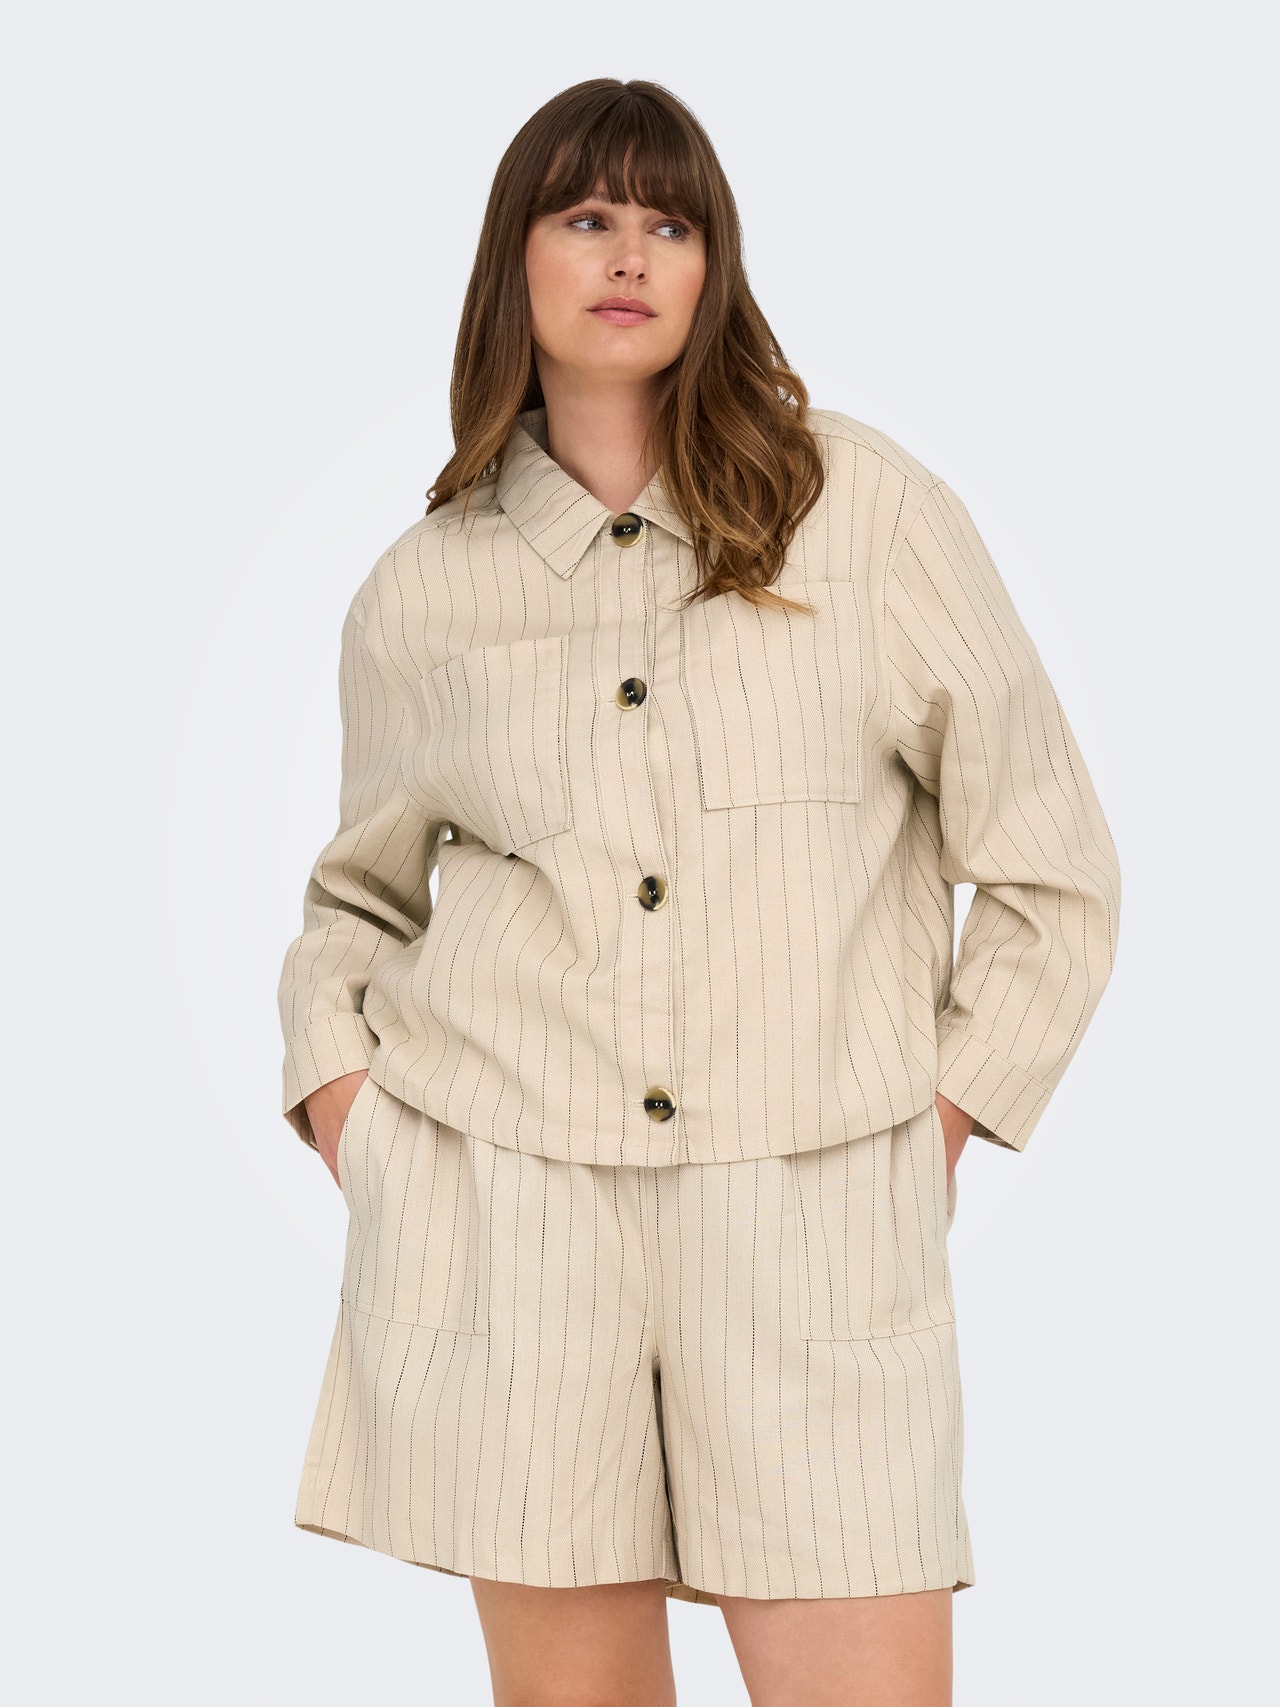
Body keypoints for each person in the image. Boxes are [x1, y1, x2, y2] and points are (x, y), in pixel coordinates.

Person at [276, 77, 1121, 1707]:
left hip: (813, 1231)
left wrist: (936, 1123)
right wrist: (348, 1113)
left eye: (671, 223)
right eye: (587, 215)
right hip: (515, 1228)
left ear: (713, 267)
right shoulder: (424, 589)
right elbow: (359, 902)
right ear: (515, 259)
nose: (629, 254)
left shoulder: (861, 511)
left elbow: (1049, 861)